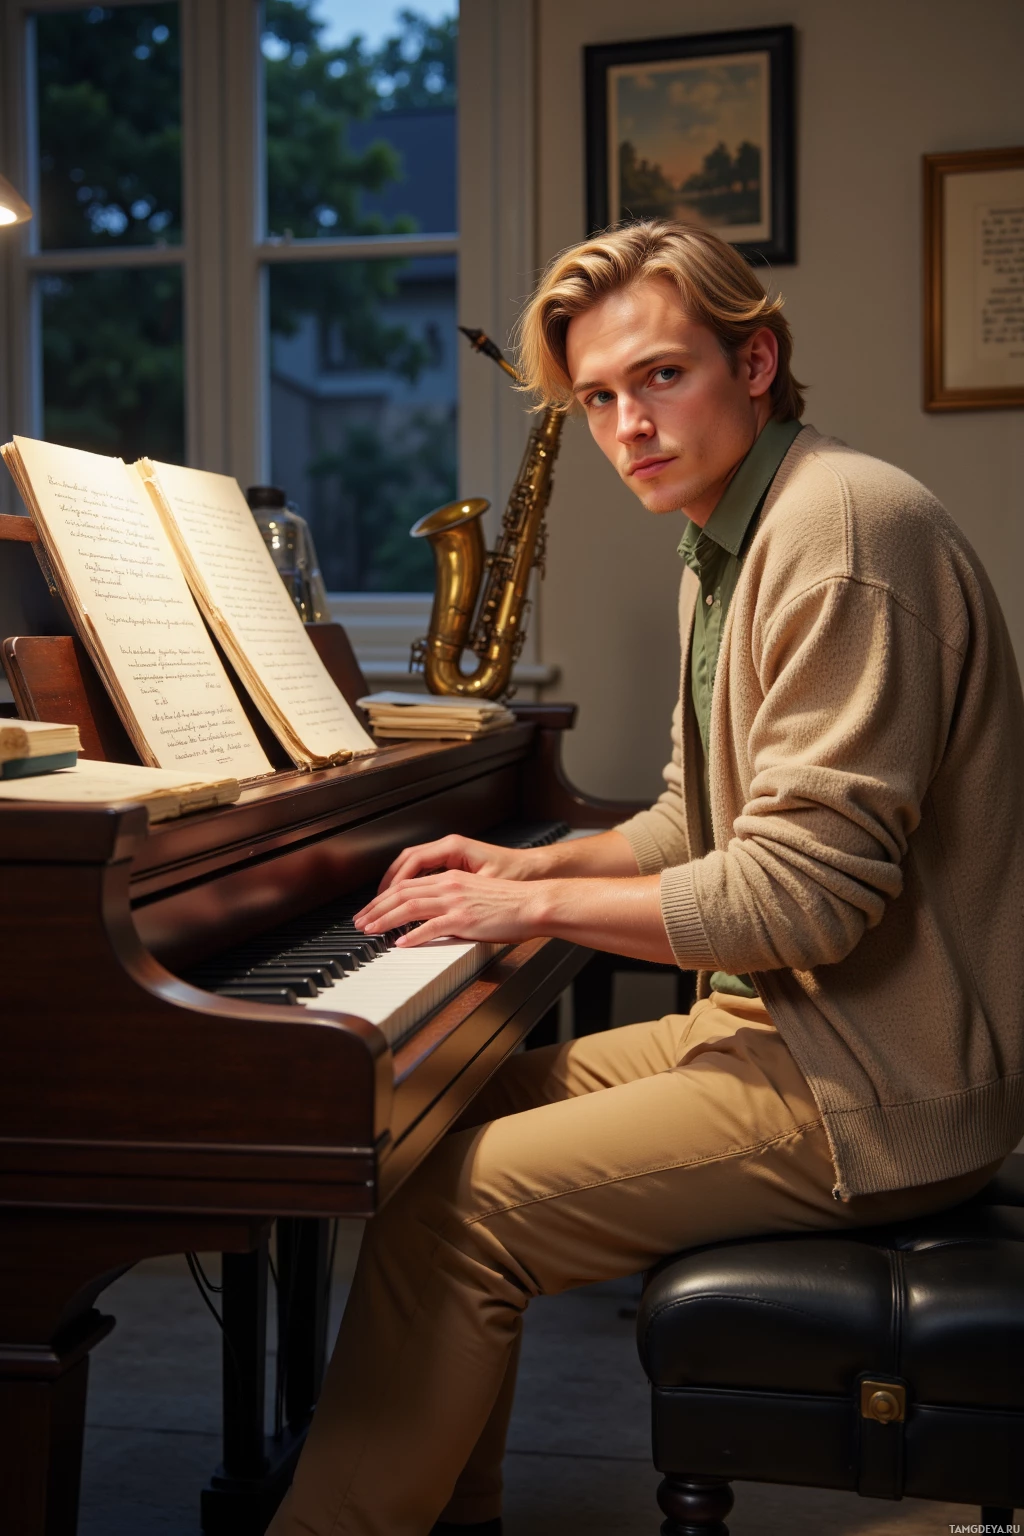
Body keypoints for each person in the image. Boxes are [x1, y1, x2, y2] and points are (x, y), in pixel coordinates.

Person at [269, 221, 1024, 1536]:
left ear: (755, 362)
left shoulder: (840, 532)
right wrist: (530, 860)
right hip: (778, 1032)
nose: (630, 426)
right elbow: (694, 821)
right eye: (600, 397)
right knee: (437, 1122)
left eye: (662, 376)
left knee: (463, 1213)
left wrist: (523, 905)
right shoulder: (726, 538)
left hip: (875, 1083)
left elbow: (804, 900)